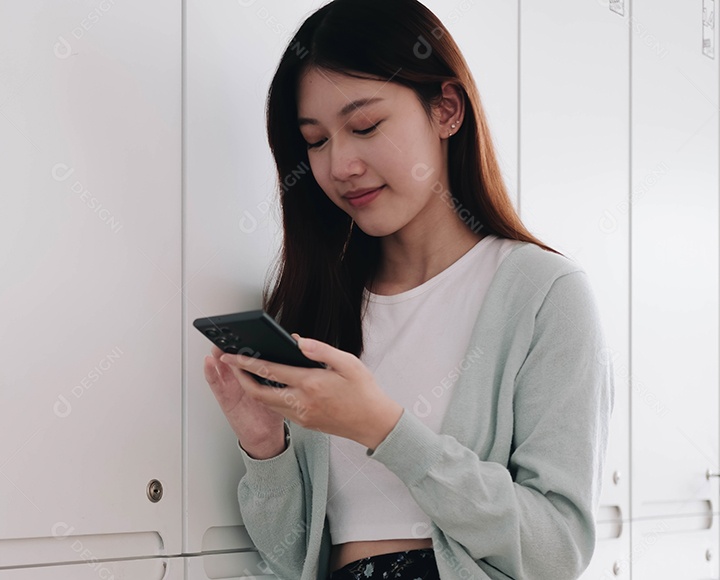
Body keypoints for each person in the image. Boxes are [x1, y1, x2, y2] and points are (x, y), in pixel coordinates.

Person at [201, 1, 614, 579]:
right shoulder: (313, 302)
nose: (340, 163)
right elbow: (290, 558)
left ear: (445, 110)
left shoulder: (544, 295)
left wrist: (385, 429)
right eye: (315, 142)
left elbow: (556, 552)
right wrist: (265, 447)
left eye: (365, 126)